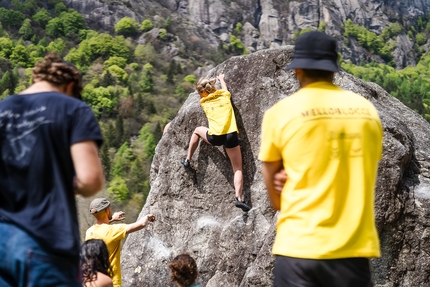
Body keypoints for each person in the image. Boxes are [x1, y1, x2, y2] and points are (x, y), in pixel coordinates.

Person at [259, 31, 383, 287]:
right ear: (333, 70)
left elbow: (275, 199)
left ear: (298, 70)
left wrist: (286, 180)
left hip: (298, 251)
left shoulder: (281, 113)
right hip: (353, 251)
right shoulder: (368, 113)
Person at [0, 53, 104, 287]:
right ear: (70, 86)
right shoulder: (73, 109)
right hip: (45, 241)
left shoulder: (3, 110)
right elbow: (90, 180)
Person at [181, 74, 250, 212]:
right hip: (230, 135)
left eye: (199, 93)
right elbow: (224, 89)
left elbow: (206, 95)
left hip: (215, 137)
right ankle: (239, 198)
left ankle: (188, 159)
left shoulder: (204, 102)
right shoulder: (225, 95)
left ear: (203, 92)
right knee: (237, 169)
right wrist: (222, 79)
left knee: (197, 130)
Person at [85, 198, 156, 287]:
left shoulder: (89, 232)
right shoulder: (114, 230)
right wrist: (147, 217)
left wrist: (111, 220)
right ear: (107, 211)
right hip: (113, 282)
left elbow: (102, 229)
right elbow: (141, 224)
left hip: (96, 282)